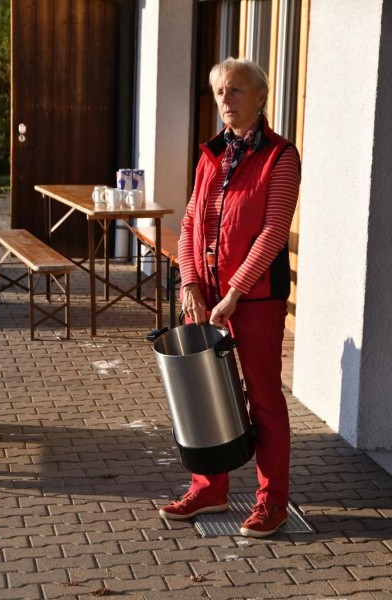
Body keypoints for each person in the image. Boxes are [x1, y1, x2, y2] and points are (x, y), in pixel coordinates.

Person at [159, 57, 301, 538]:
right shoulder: (211, 154)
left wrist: (236, 291)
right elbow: (189, 223)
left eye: (236, 90)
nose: (226, 99)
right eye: (220, 91)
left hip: (255, 299)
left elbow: (273, 231)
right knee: (203, 395)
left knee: (262, 398)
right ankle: (208, 489)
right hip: (206, 297)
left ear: (261, 97)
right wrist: (190, 284)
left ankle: (272, 501)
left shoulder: (281, 156)